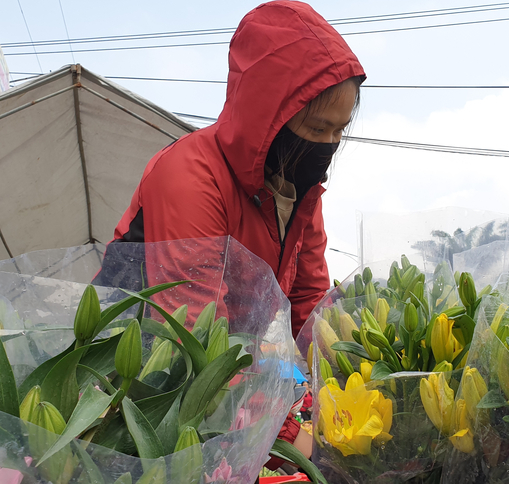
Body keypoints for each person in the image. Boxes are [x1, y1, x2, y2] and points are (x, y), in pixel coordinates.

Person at [98, 0, 366, 476]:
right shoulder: (190, 175)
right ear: (270, 115)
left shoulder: (301, 191)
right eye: (317, 128)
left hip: (222, 378)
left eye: (339, 132)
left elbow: (307, 309)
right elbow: (198, 332)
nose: (328, 145)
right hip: (135, 378)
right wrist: (289, 434)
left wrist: (343, 397)